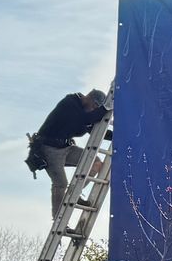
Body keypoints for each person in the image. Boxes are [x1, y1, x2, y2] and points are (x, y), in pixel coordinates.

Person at [27, 88, 111, 218]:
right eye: (94, 106)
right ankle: (58, 218)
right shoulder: (70, 104)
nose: (94, 110)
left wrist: (119, 135)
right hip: (49, 149)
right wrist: (105, 109)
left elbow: (94, 129)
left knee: (95, 162)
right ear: (88, 98)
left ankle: (74, 194)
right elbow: (86, 119)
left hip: (65, 148)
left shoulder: (84, 113)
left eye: (96, 108)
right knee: (60, 183)